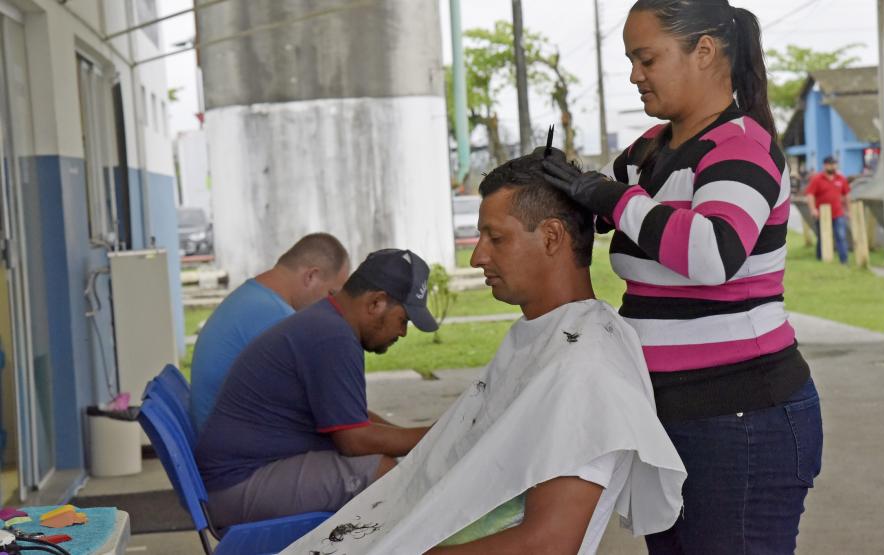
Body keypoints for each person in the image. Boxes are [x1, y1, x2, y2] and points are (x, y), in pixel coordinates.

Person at [281, 151, 685, 555]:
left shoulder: (586, 368)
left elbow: (549, 544)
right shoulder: (543, 338)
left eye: (496, 238)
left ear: (551, 236)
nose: (477, 257)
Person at [541, 1, 823, 553]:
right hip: (669, 417)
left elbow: (714, 252)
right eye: (631, 60)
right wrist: (556, 186)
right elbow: (600, 210)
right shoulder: (649, 151)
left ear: (705, 51)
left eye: (646, 59)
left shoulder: (742, 146)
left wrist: (610, 197)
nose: (634, 75)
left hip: (743, 421)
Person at [194, 249, 438, 528]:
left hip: (239, 477)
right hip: (235, 485)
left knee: (382, 464)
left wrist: (416, 439)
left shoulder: (328, 321)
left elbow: (353, 418)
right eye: (404, 320)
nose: (403, 332)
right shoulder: (332, 337)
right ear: (376, 303)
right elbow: (355, 440)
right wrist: (438, 435)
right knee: (381, 473)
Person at [190, 232, 350, 431]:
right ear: (311, 276)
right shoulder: (277, 318)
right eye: (331, 293)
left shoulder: (253, 297)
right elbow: (320, 406)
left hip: (220, 431)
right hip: (231, 441)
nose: (331, 305)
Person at [805, 155, 851, 263]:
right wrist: (813, 209)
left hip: (838, 213)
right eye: (831, 164)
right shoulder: (817, 179)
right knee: (823, 237)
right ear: (825, 165)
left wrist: (848, 211)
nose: (833, 166)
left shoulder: (841, 178)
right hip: (822, 214)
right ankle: (820, 259)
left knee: (841, 236)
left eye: (834, 164)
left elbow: (847, 195)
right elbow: (810, 195)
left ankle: (844, 260)